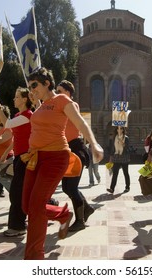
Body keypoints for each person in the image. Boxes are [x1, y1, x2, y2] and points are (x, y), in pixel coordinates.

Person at [22, 67, 103, 260]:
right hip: (35, 158)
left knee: (36, 206)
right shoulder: (40, 106)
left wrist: (94, 143)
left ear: (47, 83)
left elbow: (81, 123)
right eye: (30, 86)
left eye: (35, 85)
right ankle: (62, 214)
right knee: (26, 206)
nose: (32, 90)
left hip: (56, 157)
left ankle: (34, 258)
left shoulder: (61, 100)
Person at [0, 87, 33, 237]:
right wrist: (5, 153)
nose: (14, 99)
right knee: (21, 192)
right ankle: (49, 207)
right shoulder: (18, 115)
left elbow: (7, 124)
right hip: (19, 158)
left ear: (24, 99)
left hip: (25, 158)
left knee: (17, 193)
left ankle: (18, 227)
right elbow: (15, 138)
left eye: (17, 97)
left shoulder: (28, 115)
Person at [57, 80, 95, 232]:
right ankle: (87, 208)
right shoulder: (59, 108)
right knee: (67, 187)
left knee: (71, 187)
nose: (57, 93)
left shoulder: (72, 105)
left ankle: (80, 220)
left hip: (77, 149)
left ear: (68, 92)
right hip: (67, 151)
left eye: (60, 91)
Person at [106, 126, 131, 194]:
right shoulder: (114, 138)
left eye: (121, 128)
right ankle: (112, 188)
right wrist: (111, 158)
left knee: (125, 173)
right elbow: (112, 148)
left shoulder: (126, 138)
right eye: (118, 128)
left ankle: (127, 187)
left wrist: (123, 143)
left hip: (124, 157)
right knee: (115, 173)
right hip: (116, 157)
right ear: (116, 130)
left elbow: (128, 148)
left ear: (123, 130)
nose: (119, 130)